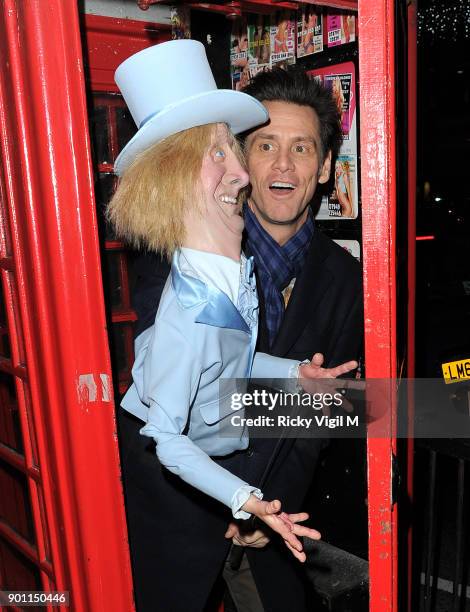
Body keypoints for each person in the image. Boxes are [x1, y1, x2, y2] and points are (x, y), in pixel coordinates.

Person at [111, 42, 358, 612]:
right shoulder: (171, 257)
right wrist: (232, 498)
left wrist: (262, 506)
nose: (281, 165)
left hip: (275, 522)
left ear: (325, 168)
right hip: (175, 517)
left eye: (302, 149)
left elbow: (324, 418)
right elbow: (172, 393)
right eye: (265, 145)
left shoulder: (346, 280)